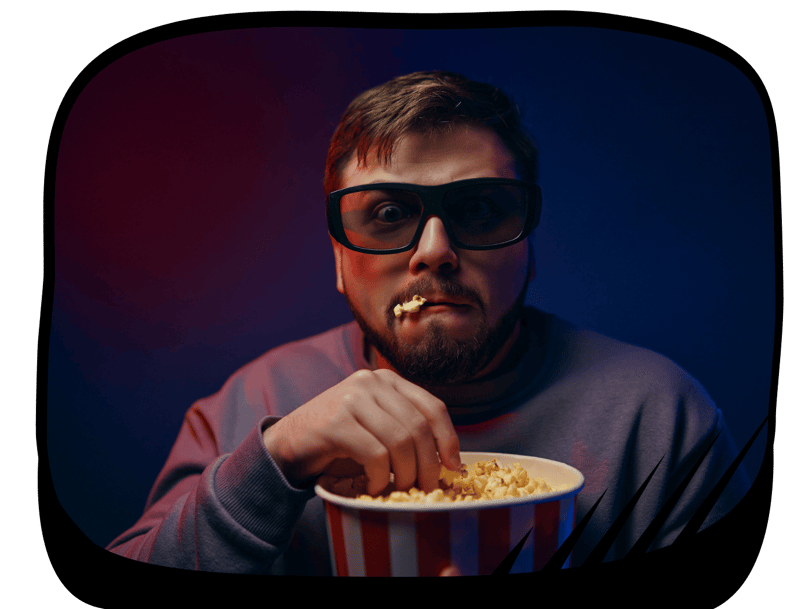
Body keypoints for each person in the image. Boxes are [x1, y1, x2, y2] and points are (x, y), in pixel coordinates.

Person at [106, 70, 750, 575]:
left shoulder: (659, 417)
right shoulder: (250, 406)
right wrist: (273, 462)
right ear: (339, 258)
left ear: (527, 246)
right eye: (387, 213)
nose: (434, 249)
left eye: (479, 209)